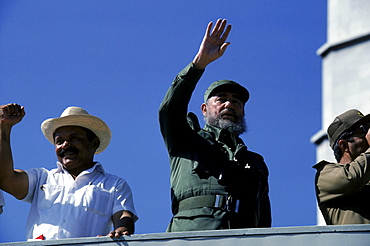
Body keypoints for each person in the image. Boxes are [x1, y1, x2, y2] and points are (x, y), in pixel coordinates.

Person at [158, 19, 271, 232]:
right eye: (221, 99)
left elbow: (264, 221)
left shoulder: (255, 162)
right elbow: (169, 110)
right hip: (192, 236)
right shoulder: (184, 139)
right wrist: (199, 64)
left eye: (236, 101)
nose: (229, 103)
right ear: (204, 109)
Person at [0, 103, 137, 240]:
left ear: (94, 143)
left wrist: (121, 230)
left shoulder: (114, 184)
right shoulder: (41, 178)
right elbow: (5, 179)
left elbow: (124, 216)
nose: (65, 145)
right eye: (59, 141)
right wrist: (4, 126)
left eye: (74, 138)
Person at [313, 109, 370, 225]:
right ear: (344, 145)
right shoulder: (325, 175)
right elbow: (352, 177)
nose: (368, 134)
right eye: (363, 130)